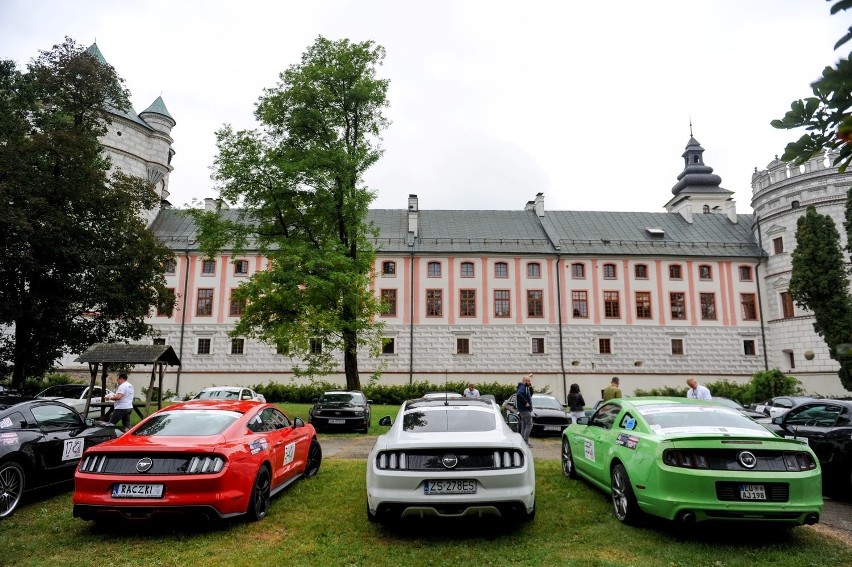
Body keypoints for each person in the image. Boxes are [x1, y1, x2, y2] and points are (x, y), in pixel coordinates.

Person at [516, 374, 534, 447]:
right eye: (528, 381)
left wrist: (530, 387)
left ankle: (522, 440)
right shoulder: (522, 387)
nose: (529, 382)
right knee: (530, 424)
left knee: (524, 425)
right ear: (524, 381)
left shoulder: (525, 387)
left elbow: (530, 394)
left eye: (529, 380)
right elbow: (519, 394)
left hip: (524, 410)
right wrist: (525, 402)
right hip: (524, 409)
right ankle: (525, 441)